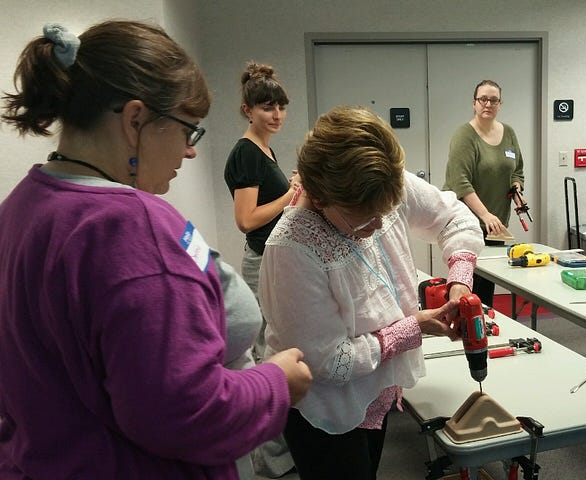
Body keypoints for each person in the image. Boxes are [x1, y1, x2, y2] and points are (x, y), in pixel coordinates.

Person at [0, 20, 312, 479]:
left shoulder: (22, 205)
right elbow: (184, 413)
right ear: (134, 120)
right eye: (188, 131)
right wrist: (275, 384)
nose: (189, 152)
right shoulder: (130, 226)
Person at [258, 106, 484, 480]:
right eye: (365, 219)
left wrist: (459, 279)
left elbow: (454, 217)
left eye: (387, 211)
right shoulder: (292, 252)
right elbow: (330, 363)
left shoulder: (380, 184)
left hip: (374, 394)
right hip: (327, 412)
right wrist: (412, 328)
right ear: (318, 198)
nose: (380, 225)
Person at [223, 62, 298, 478]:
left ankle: (278, 455)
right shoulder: (246, 152)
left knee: (272, 347)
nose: (277, 115)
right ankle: (270, 462)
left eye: (281, 106)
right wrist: (291, 193)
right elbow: (246, 218)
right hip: (259, 259)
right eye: (267, 107)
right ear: (247, 109)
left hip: (272, 257)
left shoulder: (264, 149)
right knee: (264, 355)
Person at [443, 79, 524, 307]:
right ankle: (467, 334)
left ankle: (484, 333)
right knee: (468, 287)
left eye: (494, 100)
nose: (488, 104)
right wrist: (485, 215)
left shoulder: (508, 133)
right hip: (468, 225)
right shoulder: (464, 136)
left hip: (496, 226)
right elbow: (460, 183)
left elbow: (517, 170)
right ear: (474, 103)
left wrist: (517, 188)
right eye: (483, 99)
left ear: (500, 104)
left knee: (487, 286)